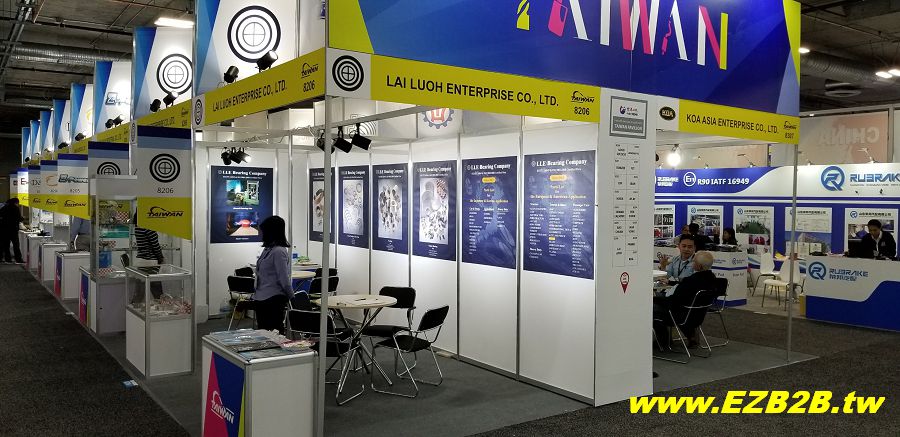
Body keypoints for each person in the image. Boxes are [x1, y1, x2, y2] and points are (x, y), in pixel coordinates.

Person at [653, 250, 717, 348]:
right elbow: (684, 288)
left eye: (694, 262)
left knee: (651, 307)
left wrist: (654, 299)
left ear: (699, 266)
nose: (692, 263)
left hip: (679, 315)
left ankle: (663, 341)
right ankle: (690, 336)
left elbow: (673, 302)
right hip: (697, 315)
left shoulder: (690, 281)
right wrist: (671, 283)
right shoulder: (712, 279)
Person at [252, 215, 292, 333]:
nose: (262, 234)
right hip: (261, 298)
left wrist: (292, 297)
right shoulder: (267, 249)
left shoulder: (279, 251)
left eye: (264, 231)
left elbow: (283, 279)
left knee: (274, 333)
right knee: (263, 332)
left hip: (273, 299)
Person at [133, 213, 165, 299]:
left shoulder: (137, 227)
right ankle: (161, 307)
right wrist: (161, 258)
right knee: (158, 293)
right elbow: (155, 246)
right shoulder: (148, 228)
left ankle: (133, 307)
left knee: (139, 293)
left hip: (141, 261)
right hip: (150, 262)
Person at [0, 198, 25, 264]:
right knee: (16, 245)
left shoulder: (4, 208)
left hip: (4, 229)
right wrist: (22, 218)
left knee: (6, 245)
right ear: (16, 202)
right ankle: (18, 259)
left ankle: (8, 259)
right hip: (13, 230)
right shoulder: (15, 208)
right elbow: (19, 218)